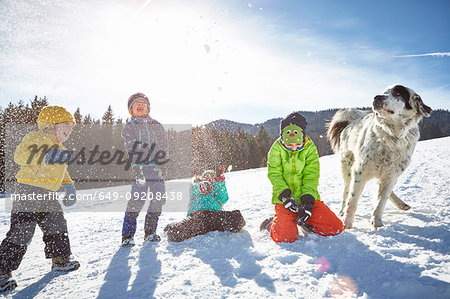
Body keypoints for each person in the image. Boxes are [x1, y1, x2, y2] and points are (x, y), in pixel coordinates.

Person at [0, 106, 80, 293]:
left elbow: (63, 171)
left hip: (49, 195)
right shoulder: (36, 138)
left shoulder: (62, 149)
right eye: (65, 126)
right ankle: (2, 270)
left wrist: (69, 185)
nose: (68, 131)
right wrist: (42, 154)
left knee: (57, 225)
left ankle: (60, 260)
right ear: (51, 125)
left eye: (71, 129)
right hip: (29, 190)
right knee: (22, 231)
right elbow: (19, 156)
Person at [260, 112, 344, 243]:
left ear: (303, 138)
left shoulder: (310, 149)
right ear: (282, 139)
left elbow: (311, 175)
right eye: (289, 145)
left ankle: (307, 222)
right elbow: (275, 174)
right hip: (285, 200)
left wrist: (308, 201)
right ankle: (273, 224)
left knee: (336, 228)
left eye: (297, 145)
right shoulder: (276, 150)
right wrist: (284, 196)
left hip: (307, 199)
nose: (293, 148)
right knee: (285, 238)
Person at [121, 92, 168, 246]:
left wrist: (162, 163)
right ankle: (127, 235)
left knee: (158, 200)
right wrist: (136, 167)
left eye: (143, 103)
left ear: (149, 108)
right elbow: (130, 146)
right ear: (131, 110)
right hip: (140, 168)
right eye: (136, 104)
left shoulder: (157, 126)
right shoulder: (130, 127)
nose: (140, 105)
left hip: (156, 169)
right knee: (136, 202)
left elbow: (164, 145)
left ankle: (150, 232)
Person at [164, 168, 245, 242]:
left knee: (238, 218)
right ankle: (173, 225)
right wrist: (203, 186)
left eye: (212, 177)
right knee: (176, 233)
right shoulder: (194, 188)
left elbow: (223, 198)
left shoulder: (216, 191)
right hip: (199, 217)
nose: (209, 178)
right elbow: (196, 189)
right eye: (207, 176)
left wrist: (219, 180)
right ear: (201, 178)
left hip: (215, 216)